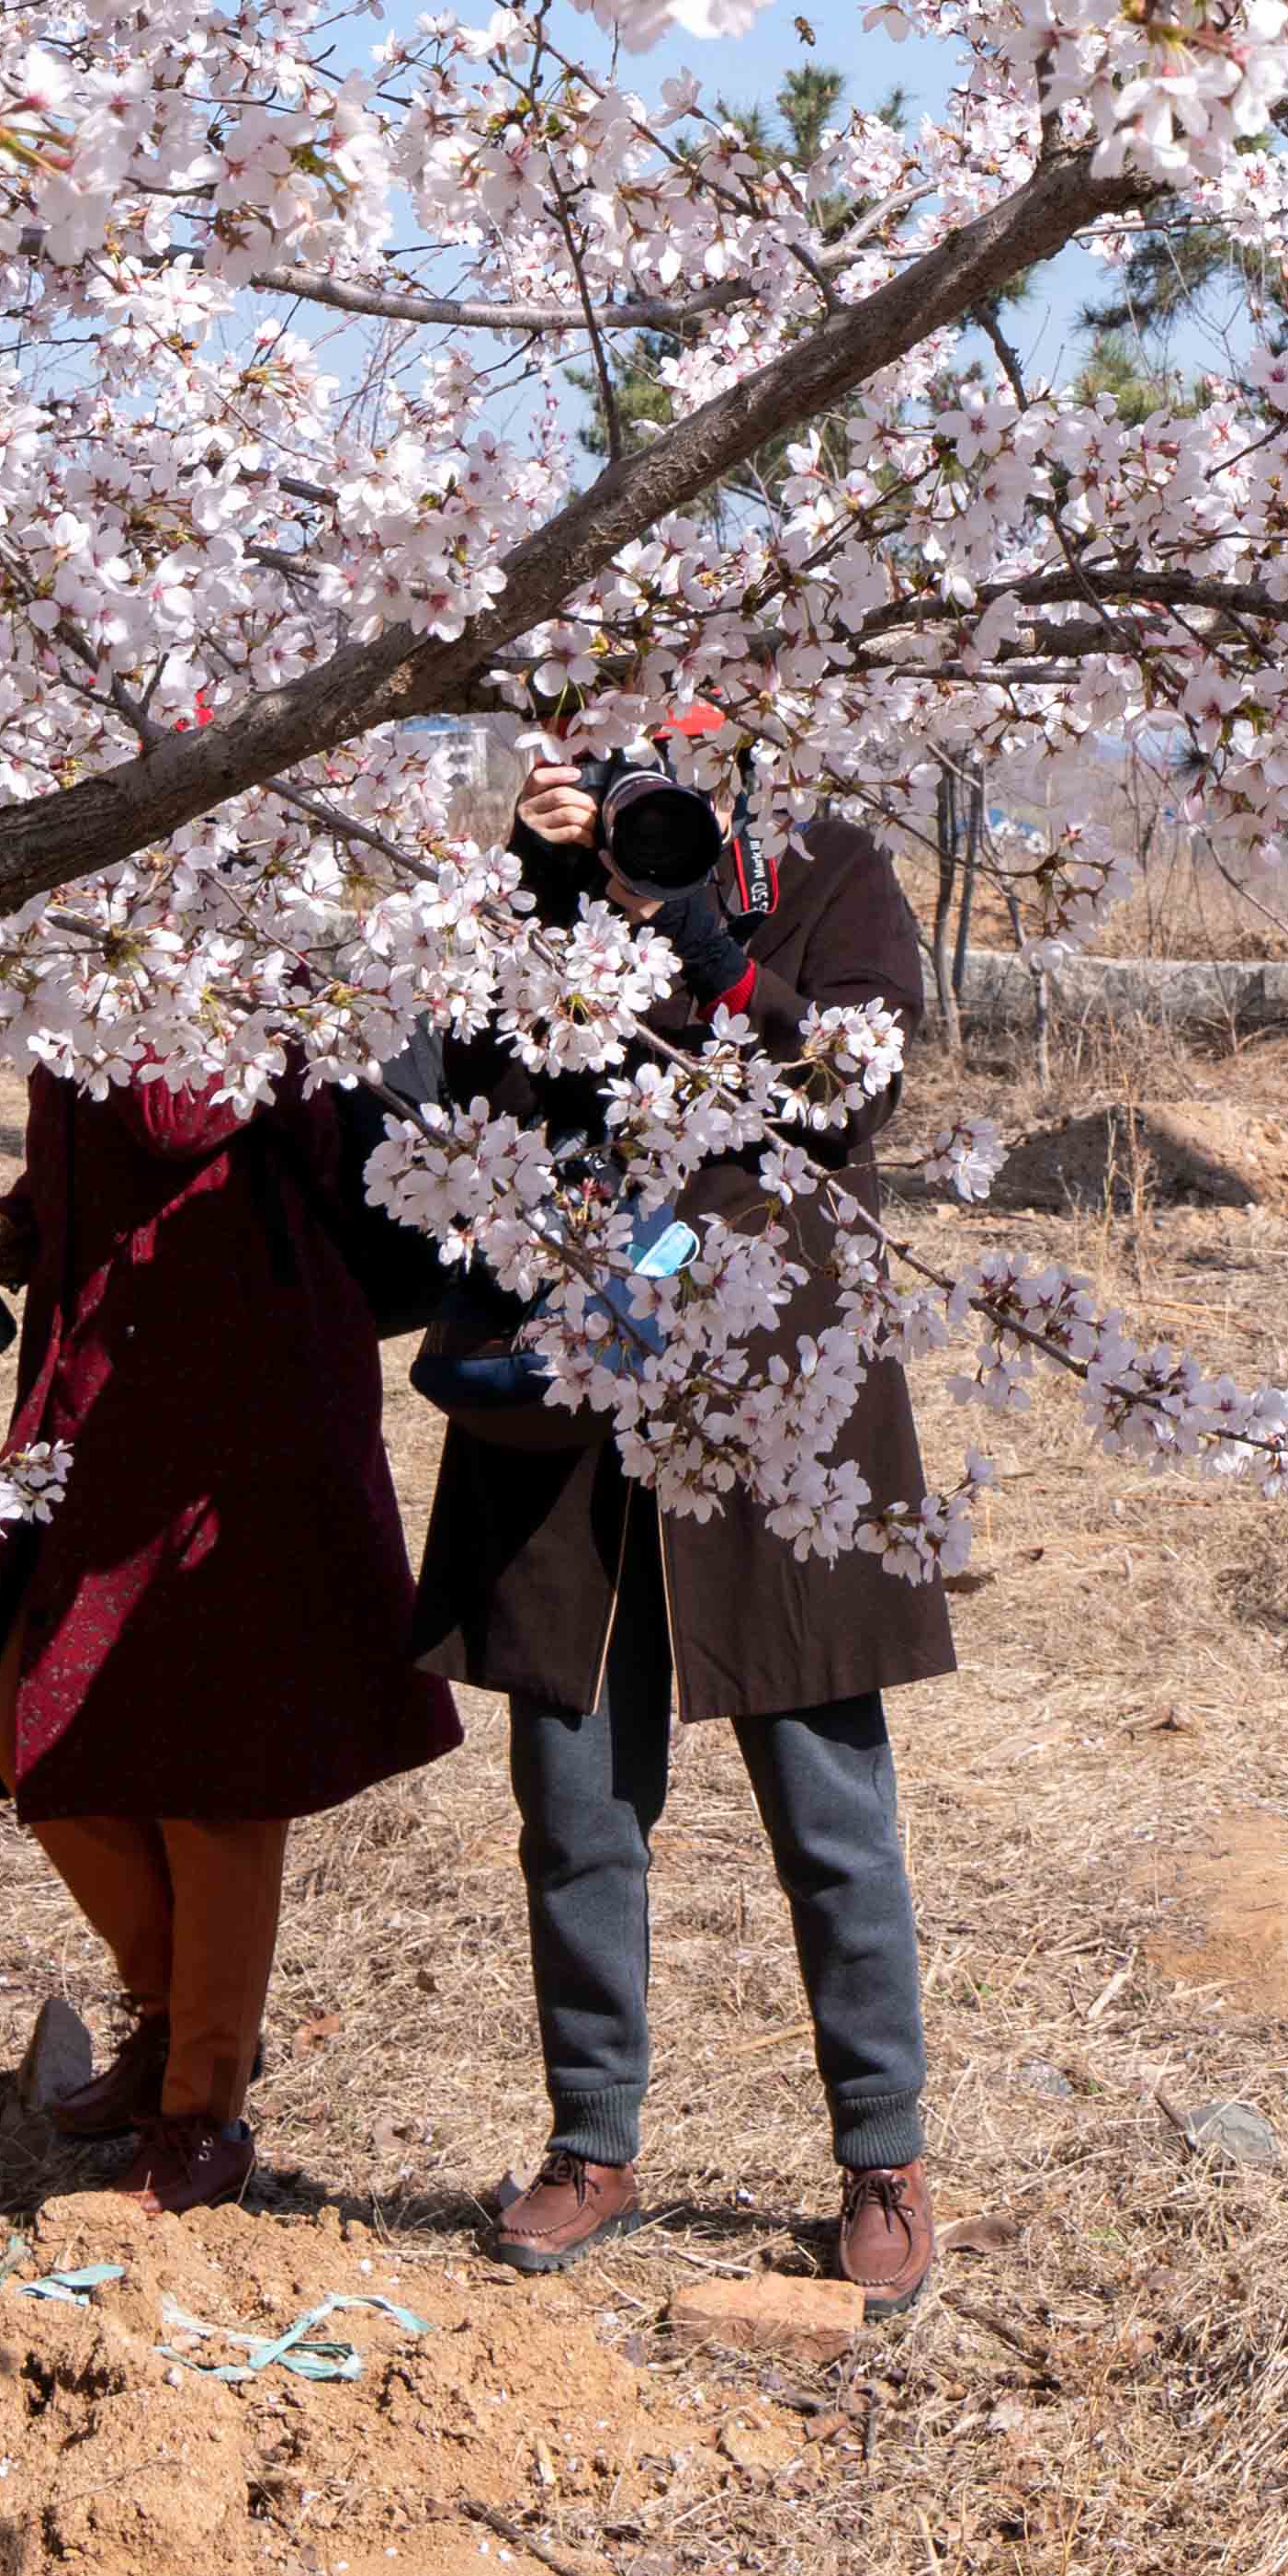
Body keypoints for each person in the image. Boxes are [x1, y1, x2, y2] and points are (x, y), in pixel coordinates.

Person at [409, 736, 952, 2316]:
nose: (675, 766)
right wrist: (534, 887)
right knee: (574, 1789)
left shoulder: (829, 867)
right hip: (566, 1380)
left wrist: (710, 939)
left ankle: (884, 2153)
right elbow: (460, 1109)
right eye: (643, 731)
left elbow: (851, 1093)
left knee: (828, 1803)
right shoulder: (552, 886)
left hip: (782, 1393)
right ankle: (591, 2140)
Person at [0, 1064, 456, 2207]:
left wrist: (139, 936)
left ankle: (198, 2118)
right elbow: (98, 1150)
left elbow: (178, 1118)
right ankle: (179, 2020)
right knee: (29, 1723)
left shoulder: (231, 946)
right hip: (105, 1390)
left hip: (240, 1402)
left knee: (210, 1776)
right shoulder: (109, 952)